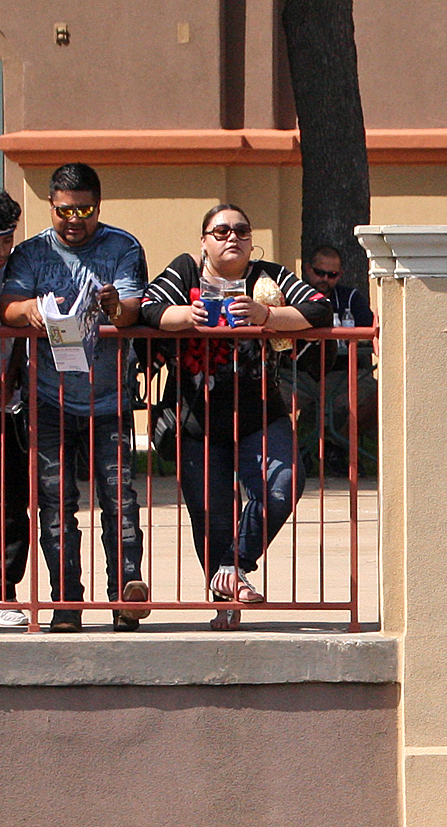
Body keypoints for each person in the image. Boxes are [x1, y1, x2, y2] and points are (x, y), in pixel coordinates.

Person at [141, 203, 331, 629]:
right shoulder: (186, 272)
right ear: (204, 241)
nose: (232, 238)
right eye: (221, 231)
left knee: (282, 486)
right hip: (196, 420)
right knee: (211, 516)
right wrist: (184, 317)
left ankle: (233, 565)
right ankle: (226, 600)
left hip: (261, 413)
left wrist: (267, 316)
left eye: (241, 231)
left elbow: (319, 309)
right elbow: (149, 308)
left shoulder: (269, 276)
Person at [0, 162, 149, 632]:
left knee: (119, 502)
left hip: (110, 401)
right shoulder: (30, 253)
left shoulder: (123, 246)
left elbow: (131, 311)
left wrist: (115, 307)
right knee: (54, 505)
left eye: (83, 209)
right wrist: (31, 311)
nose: (73, 219)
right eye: (64, 210)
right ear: (51, 206)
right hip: (47, 399)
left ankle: (125, 595)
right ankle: (66, 603)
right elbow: (7, 303)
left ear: (98, 206)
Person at [288, 243, 376, 476]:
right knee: (268, 399)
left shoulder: (351, 298)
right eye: (319, 272)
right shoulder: (291, 296)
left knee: (380, 397)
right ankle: (293, 451)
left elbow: (370, 332)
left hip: (343, 372)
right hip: (298, 373)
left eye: (332, 274)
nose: (325, 279)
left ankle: (337, 446)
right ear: (308, 269)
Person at [0, 191, 29, 628]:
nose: (2, 248)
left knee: (9, 504)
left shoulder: (21, 269)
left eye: (6, 237)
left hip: (10, 405)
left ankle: (4, 596)